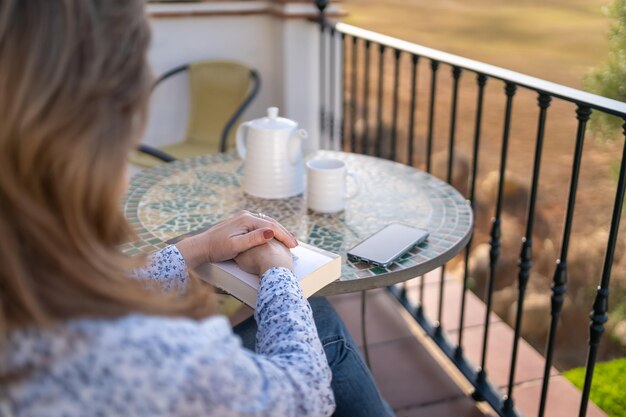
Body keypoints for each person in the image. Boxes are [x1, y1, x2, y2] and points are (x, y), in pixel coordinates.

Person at [0, 1, 395, 416]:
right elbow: (305, 397)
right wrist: (278, 270)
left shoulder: (27, 281)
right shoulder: (154, 352)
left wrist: (197, 248)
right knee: (317, 318)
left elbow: (81, 302)